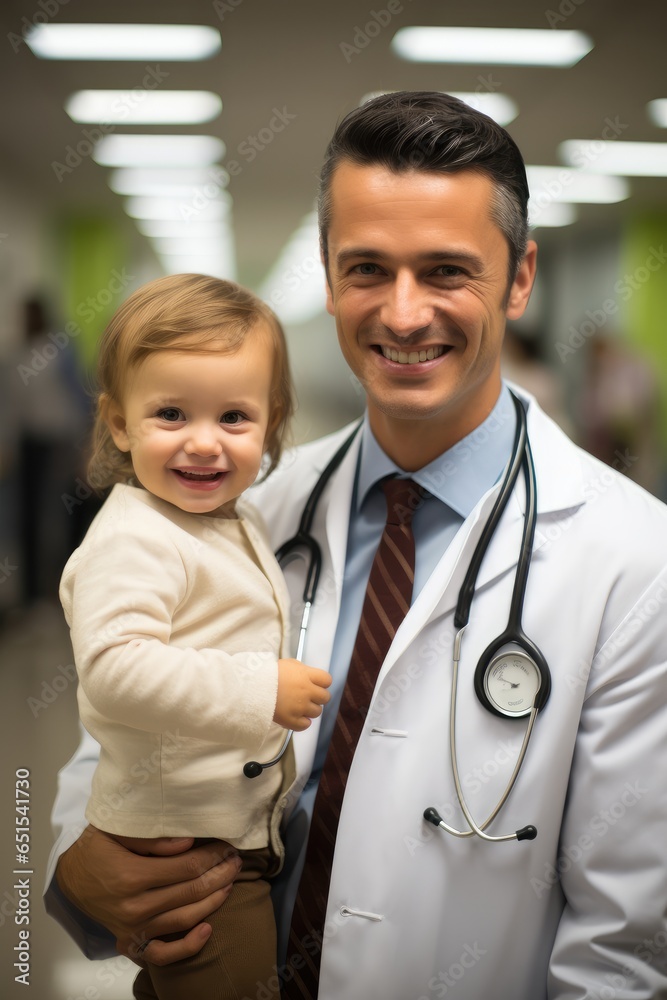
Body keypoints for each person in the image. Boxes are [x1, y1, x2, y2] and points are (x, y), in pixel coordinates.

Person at [45, 93, 667, 998]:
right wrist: (72, 865)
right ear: (330, 279)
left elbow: (623, 942)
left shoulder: (633, 559)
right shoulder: (251, 502)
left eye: (446, 270)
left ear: (520, 278)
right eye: (367, 268)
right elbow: (127, 727)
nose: (404, 315)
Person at [55, 273, 332, 999]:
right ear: (119, 423)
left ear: (270, 425)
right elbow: (116, 669)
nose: (204, 444)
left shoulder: (228, 517)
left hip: (227, 831)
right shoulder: (134, 538)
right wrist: (259, 688)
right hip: (183, 848)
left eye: (234, 418)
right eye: (171, 413)